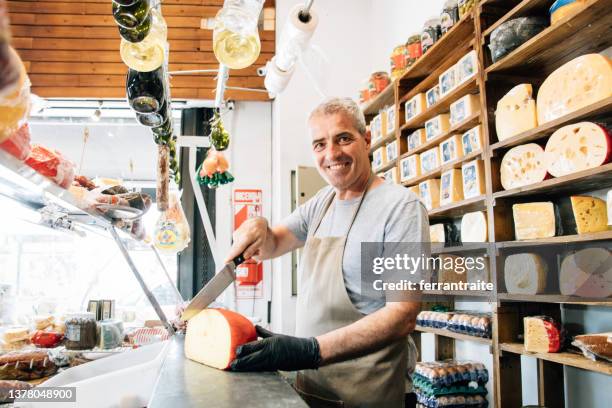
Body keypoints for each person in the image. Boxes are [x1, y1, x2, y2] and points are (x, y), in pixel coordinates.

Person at [226, 97, 429, 408]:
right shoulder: (323, 202)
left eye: (343, 138)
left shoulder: (401, 208)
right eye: (320, 144)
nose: (332, 153)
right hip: (313, 388)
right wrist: (258, 224)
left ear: (367, 139)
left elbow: (403, 315)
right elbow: (271, 245)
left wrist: (309, 350)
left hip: (370, 394)